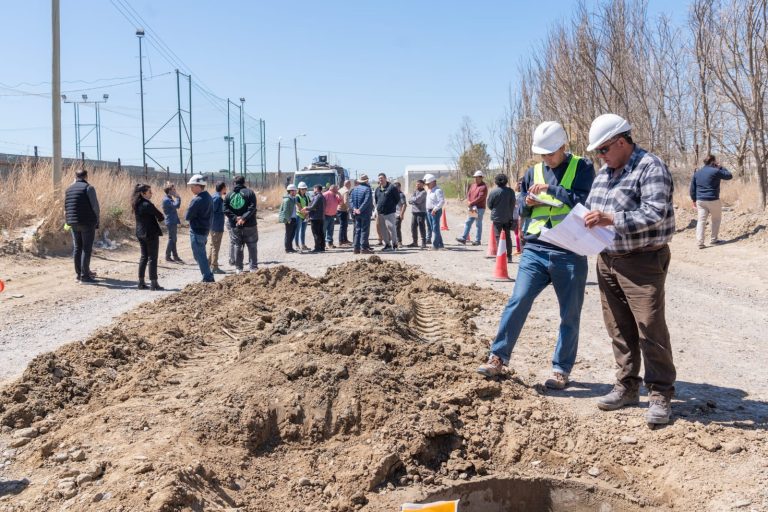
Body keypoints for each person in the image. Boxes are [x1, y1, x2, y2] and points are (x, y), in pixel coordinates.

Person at [477, 121, 595, 391]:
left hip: (570, 250)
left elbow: (585, 200)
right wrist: (526, 204)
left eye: (551, 154)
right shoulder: (533, 172)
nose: (546, 159)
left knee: (570, 313)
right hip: (536, 248)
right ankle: (498, 357)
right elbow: (521, 207)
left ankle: (561, 370)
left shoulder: (583, 167)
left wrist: (550, 191)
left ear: (564, 147)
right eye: (542, 154)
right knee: (518, 300)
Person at [583, 114, 677, 426]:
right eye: (598, 152)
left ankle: (661, 392)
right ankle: (627, 385)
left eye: (604, 149)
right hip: (608, 259)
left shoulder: (650, 167)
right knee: (618, 327)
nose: (601, 156)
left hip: (642, 260)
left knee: (650, 327)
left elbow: (653, 213)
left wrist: (611, 219)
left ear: (622, 142)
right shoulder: (603, 173)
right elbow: (593, 209)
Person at [64, 169, 100, 284]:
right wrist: (97, 221)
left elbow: (66, 208)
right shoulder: (89, 188)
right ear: (86, 176)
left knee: (77, 248)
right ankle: (85, 277)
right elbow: (95, 207)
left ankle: (79, 275)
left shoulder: (68, 189)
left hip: (73, 222)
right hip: (87, 222)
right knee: (86, 248)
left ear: (75, 176)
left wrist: (68, 221)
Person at [690, 154, 733, 249]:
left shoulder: (697, 173)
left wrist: (693, 200)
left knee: (701, 221)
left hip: (700, 200)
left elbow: (692, 188)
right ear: (713, 161)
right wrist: (721, 167)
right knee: (716, 219)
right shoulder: (716, 171)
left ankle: (700, 242)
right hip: (713, 199)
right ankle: (714, 240)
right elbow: (729, 176)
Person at [132, 183, 165, 291]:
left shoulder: (136, 203)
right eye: (149, 191)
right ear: (143, 193)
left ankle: (141, 282)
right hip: (150, 233)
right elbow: (160, 216)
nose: (152, 193)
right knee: (152, 258)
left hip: (140, 233)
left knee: (144, 257)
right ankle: (154, 283)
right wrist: (159, 218)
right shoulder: (147, 204)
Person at [224, 175, 258, 273]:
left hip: (235, 226)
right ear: (244, 183)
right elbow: (252, 208)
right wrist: (244, 218)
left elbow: (225, 209)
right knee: (252, 245)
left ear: (234, 183)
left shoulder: (228, 195)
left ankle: (239, 269)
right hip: (250, 225)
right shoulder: (250, 193)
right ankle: (253, 268)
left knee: (237, 246)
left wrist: (236, 218)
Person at [185, 174, 214, 283]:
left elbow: (187, 216)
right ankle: (208, 274)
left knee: (199, 255)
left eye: (192, 186)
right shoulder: (208, 197)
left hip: (197, 230)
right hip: (205, 230)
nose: (191, 189)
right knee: (200, 254)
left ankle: (207, 277)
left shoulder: (197, 200)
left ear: (198, 186)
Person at [486, 174, 516, 264]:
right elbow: (513, 203)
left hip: (497, 218)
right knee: (508, 237)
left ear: (496, 182)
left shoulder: (493, 192)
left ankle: (501, 256)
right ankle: (509, 257)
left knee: (498, 237)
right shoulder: (511, 191)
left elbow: (489, 205)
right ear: (506, 181)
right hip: (508, 217)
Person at [457, 170, 488, 246]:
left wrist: (471, 203)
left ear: (481, 178)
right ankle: (464, 238)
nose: (475, 179)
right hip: (473, 207)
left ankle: (477, 240)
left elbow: (480, 198)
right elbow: (469, 194)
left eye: (477, 178)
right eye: (475, 178)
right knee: (468, 222)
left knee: (478, 224)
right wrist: (468, 201)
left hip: (479, 208)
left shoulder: (483, 187)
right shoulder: (473, 185)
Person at [375, 173, 400, 251]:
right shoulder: (377, 189)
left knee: (392, 229)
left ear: (386, 178)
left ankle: (395, 245)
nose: (380, 180)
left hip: (389, 212)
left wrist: (391, 206)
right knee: (383, 230)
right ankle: (387, 245)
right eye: (379, 178)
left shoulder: (392, 187)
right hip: (380, 213)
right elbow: (377, 200)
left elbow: (397, 199)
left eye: (382, 178)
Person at [349, 174, 374, 254]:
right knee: (364, 230)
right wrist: (360, 209)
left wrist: (355, 209)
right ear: (366, 181)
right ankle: (363, 248)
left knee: (357, 230)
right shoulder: (367, 189)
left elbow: (350, 201)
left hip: (356, 213)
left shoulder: (354, 189)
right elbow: (367, 201)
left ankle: (356, 248)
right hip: (365, 213)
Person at [208, 181, 227, 273]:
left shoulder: (214, 196)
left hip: (213, 225)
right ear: (223, 188)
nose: (226, 189)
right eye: (225, 187)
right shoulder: (217, 198)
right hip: (216, 225)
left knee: (212, 245)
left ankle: (209, 263)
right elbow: (213, 211)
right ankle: (214, 267)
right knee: (216, 246)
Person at [161, 182, 183, 263]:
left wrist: (178, 198)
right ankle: (167, 256)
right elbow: (176, 205)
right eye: (174, 189)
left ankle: (175, 256)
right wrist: (178, 197)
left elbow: (177, 206)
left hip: (172, 221)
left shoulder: (169, 198)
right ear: (169, 190)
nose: (175, 191)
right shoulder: (166, 200)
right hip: (170, 221)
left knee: (174, 239)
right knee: (172, 239)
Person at [303, 184, 326, 252]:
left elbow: (313, 207)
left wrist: (306, 208)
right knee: (321, 232)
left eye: (314, 189)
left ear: (316, 189)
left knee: (316, 233)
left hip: (315, 218)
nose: (313, 190)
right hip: (320, 217)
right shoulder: (322, 196)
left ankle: (317, 247)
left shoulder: (318, 196)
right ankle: (322, 247)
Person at [424, 174, 445, 249]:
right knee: (433, 228)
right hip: (429, 211)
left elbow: (441, 201)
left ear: (433, 182)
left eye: (428, 184)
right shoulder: (429, 190)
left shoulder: (438, 190)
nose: (427, 185)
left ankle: (435, 245)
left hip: (435, 212)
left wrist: (435, 209)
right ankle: (440, 244)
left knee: (435, 228)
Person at [407, 179, 427, 249]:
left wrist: (413, 200)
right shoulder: (415, 191)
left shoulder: (424, 192)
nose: (417, 185)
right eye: (416, 184)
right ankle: (415, 242)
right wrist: (413, 200)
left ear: (422, 185)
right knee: (413, 227)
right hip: (414, 212)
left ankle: (423, 243)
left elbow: (418, 200)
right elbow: (409, 200)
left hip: (421, 212)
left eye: (418, 184)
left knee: (422, 228)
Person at [278, 184, 299, 253]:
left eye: (295, 191)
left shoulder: (293, 198)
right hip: (289, 220)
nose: (295, 192)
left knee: (292, 234)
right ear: (290, 191)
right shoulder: (287, 200)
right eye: (294, 191)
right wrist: (288, 220)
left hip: (294, 218)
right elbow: (285, 211)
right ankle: (287, 249)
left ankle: (290, 248)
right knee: (288, 234)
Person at [323, 184, 342, 249]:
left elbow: (341, 202)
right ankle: (323, 244)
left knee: (330, 231)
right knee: (324, 230)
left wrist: (339, 194)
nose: (337, 190)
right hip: (325, 215)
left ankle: (330, 243)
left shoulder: (335, 195)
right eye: (336, 189)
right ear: (332, 189)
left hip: (332, 215)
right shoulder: (326, 194)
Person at [294, 182, 310, 251]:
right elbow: (299, 208)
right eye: (302, 189)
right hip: (299, 215)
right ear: (299, 189)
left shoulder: (306, 196)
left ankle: (303, 245)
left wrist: (307, 214)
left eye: (305, 189)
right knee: (297, 231)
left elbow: (309, 205)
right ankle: (297, 245)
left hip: (305, 216)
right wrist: (305, 214)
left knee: (303, 231)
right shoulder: (297, 197)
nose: (304, 190)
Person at [337, 179, 352, 245]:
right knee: (343, 226)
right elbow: (346, 201)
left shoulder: (340, 190)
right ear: (348, 184)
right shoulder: (346, 191)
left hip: (339, 209)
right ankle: (341, 240)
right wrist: (348, 208)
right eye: (350, 184)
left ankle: (345, 239)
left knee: (344, 225)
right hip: (343, 210)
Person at [394, 182, 407, 246]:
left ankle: (399, 242)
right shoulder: (394, 194)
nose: (395, 189)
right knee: (393, 228)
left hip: (398, 214)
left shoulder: (401, 195)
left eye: (396, 187)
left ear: (399, 187)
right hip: (393, 214)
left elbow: (404, 204)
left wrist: (401, 214)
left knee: (397, 228)